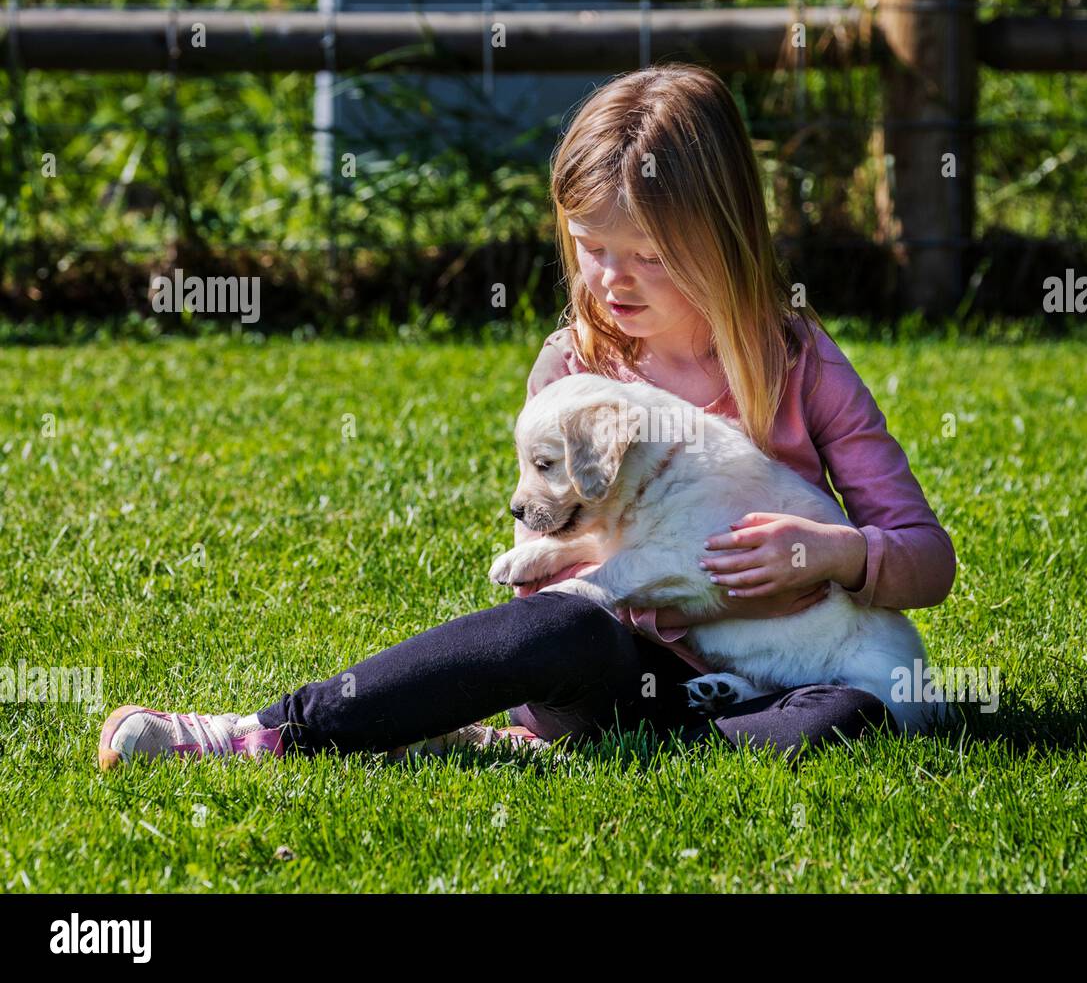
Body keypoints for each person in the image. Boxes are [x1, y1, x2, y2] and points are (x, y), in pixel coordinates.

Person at [97, 63, 956, 771]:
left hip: (789, 677)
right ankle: (267, 732)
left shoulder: (798, 362)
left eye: (647, 256)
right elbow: (544, 590)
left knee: (847, 716)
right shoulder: (574, 373)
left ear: (722, 237)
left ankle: (575, 753)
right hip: (631, 671)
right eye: (591, 246)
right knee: (560, 623)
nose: (611, 279)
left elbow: (926, 558)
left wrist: (836, 553)